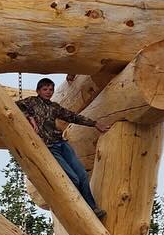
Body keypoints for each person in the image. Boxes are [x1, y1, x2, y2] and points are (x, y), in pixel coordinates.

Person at [15, 78, 110, 215]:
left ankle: (93, 207)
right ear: (38, 91)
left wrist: (95, 124)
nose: (48, 92)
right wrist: (30, 118)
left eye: (51, 89)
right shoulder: (32, 102)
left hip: (61, 144)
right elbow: (16, 105)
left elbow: (72, 117)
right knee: (73, 178)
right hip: (49, 147)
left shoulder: (54, 107)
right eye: (45, 89)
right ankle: (80, 210)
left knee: (82, 175)